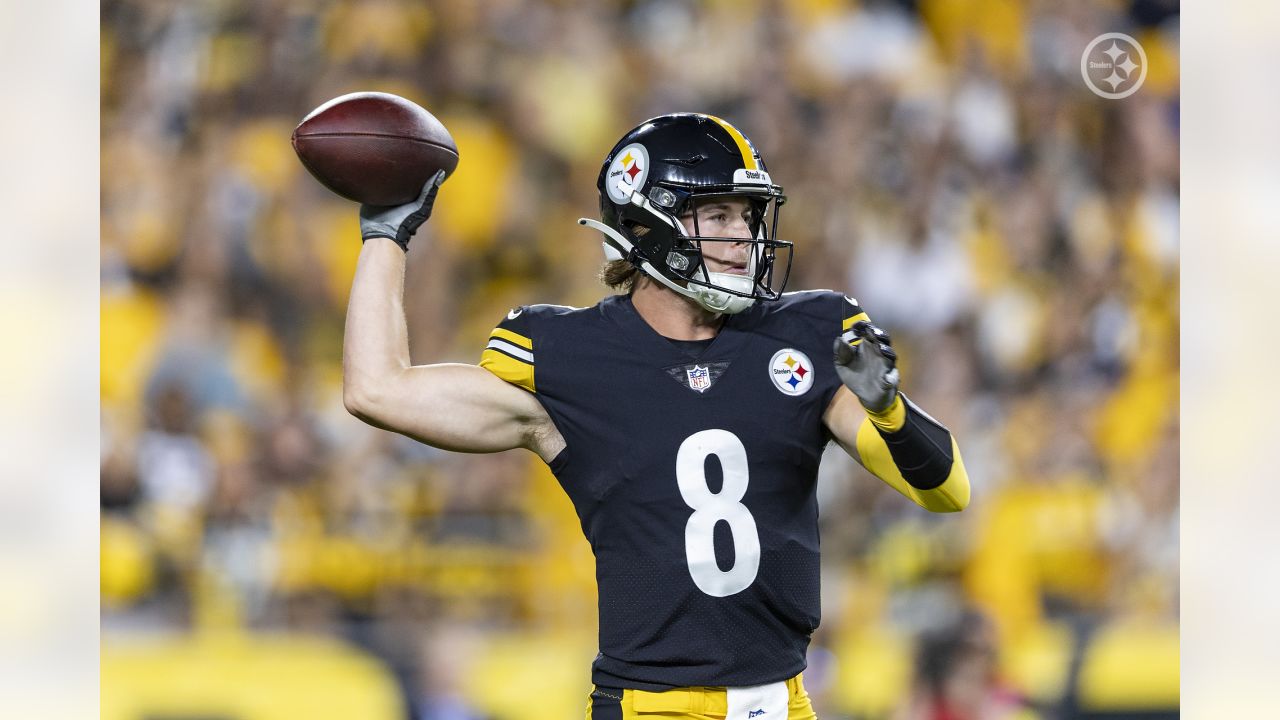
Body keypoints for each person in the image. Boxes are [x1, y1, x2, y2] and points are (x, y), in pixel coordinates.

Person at [344, 113, 971, 720]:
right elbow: (376, 389)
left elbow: (947, 491)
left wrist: (889, 408)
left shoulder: (805, 333)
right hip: (648, 707)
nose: (744, 238)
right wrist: (385, 234)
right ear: (649, 226)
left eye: (749, 218)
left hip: (781, 704)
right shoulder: (570, 356)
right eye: (719, 215)